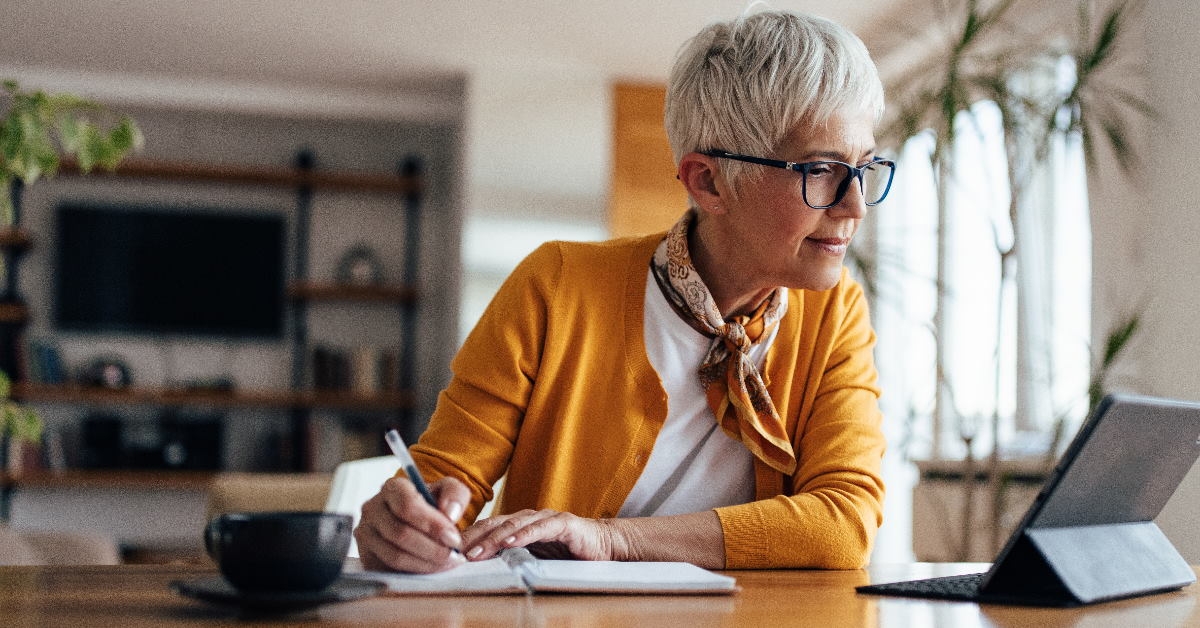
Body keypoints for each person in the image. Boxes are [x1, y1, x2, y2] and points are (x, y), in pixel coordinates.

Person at [356, 9, 893, 574]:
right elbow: (446, 486)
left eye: (864, 167)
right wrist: (406, 525)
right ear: (707, 180)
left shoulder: (835, 311)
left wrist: (614, 539)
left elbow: (843, 522)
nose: (855, 205)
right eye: (821, 170)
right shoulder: (557, 286)